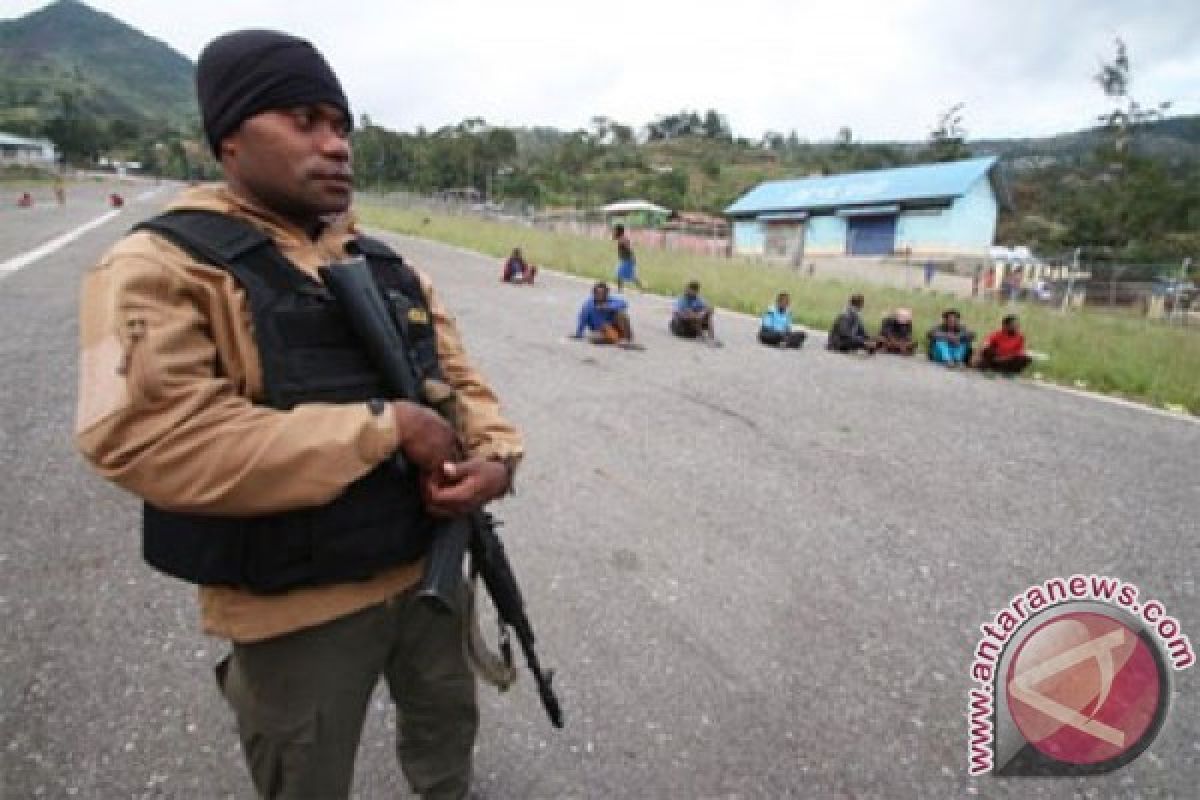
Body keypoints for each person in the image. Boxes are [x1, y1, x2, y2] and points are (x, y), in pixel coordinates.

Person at [75, 30, 523, 800]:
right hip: (296, 607)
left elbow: (459, 381)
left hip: (428, 571)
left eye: (341, 126)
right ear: (229, 140)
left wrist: (496, 461)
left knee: (446, 728)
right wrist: (383, 428)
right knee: (303, 770)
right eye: (303, 120)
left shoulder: (384, 264)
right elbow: (148, 437)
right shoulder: (161, 266)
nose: (335, 146)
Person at [572, 281, 640, 347]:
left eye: (603, 293)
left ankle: (627, 339)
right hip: (602, 330)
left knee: (621, 314)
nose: (600, 296)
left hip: (616, 327)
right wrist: (578, 333)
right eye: (598, 293)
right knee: (594, 337)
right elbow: (582, 320)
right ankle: (618, 341)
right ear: (593, 293)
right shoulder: (588, 305)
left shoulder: (611, 300)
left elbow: (624, 303)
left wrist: (608, 307)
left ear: (607, 293)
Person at [670, 280, 721, 346]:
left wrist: (703, 313)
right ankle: (702, 337)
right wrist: (697, 315)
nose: (687, 291)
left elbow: (710, 308)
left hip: (693, 326)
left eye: (693, 291)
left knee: (707, 314)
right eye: (688, 289)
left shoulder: (698, 299)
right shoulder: (682, 299)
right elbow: (680, 314)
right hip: (680, 326)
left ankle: (712, 338)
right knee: (692, 314)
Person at [613, 223, 643, 291]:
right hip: (624, 260)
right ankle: (620, 289)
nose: (614, 231)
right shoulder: (621, 238)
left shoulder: (623, 239)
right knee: (623, 275)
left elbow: (629, 248)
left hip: (628, 260)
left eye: (615, 230)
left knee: (622, 274)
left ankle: (641, 288)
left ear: (619, 231)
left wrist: (633, 257)